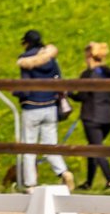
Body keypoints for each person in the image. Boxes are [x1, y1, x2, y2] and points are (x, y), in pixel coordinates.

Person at [13, 29, 74, 191]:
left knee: (29, 147)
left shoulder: (25, 60)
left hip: (32, 107)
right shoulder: (51, 59)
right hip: (50, 106)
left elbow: (25, 86)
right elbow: (58, 80)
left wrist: (16, 92)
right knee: (50, 145)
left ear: (27, 42)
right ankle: (63, 172)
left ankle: (30, 184)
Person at [71, 41, 110, 191]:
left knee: (97, 149)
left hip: (92, 116)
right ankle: (89, 182)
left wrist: (68, 94)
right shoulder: (109, 73)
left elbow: (82, 97)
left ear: (89, 56)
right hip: (109, 116)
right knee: (93, 147)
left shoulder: (87, 75)